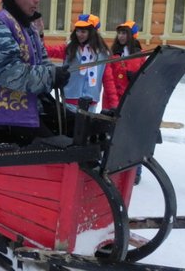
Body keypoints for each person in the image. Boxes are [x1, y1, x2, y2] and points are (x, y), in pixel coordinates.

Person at [0, 0, 70, 145]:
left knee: (78, 132)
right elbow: (8, 72)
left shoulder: (29, 29)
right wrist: (50, 76)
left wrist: (54, 74)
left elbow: (44, 62)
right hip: (2, 118)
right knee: (60, 152)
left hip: (30, 111)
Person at [102, 21, 147, 184]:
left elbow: (145, 79)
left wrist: (134, 79)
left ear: (132, 36)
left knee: (131, 136)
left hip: (131, 102)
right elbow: (108, 79)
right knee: (111, 135)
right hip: (112, 101)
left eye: (124, 33)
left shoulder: (140, 56)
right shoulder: (112, 54)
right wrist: (114, 101)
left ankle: (134, 170)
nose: (121, 36)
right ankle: (109, 167)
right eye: (119, 33)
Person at [46, 14, 117, 113]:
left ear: (92, 33)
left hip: (91, 104)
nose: (79, 34)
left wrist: (114, 104)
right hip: (70, 101)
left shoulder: (103, 54)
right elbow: (50, 50)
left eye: (83, 31)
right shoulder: (70, 48)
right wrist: (35, 44)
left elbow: (108, 80)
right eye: (78, 31)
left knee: (86, 128)